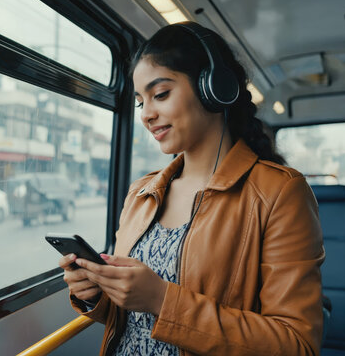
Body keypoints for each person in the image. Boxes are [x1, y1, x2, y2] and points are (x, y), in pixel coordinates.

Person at [59, 22, 324, 356]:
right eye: (141, 102)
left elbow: (296, 344)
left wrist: (162, 300)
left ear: (213, 88)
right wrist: (96, 295)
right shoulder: (141, 193)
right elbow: (131, 318)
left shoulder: (279, 193)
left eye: (161, 94)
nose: (147, 115)